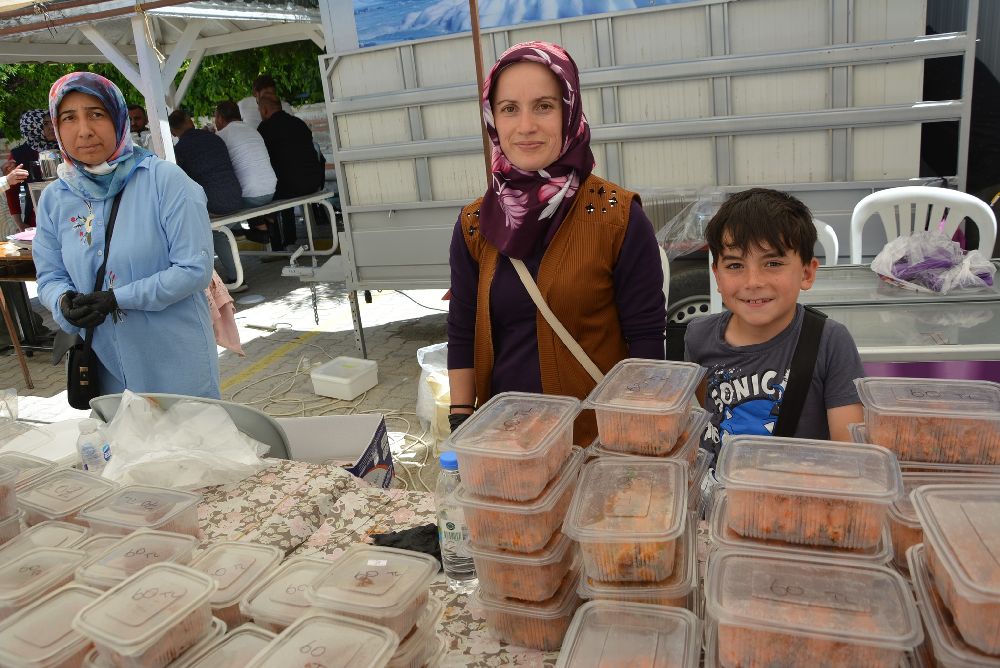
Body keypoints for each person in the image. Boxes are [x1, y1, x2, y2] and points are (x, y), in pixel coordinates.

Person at [446, 41, 667, 445]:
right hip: (507, 443)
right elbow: (462, 331)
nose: (525, 125)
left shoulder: (616, 216)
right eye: (509, 108)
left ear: (569, 110)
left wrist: (636, 434)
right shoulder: (476, 224)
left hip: (595, 445)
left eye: (544, 106)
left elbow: (647, 338)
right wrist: (460, 419)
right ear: (492, 118)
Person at [33, 72, 220, 399]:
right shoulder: (55, 199)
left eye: (96, 114)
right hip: (106, 369)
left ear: (117, 117)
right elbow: (50, 275)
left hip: (176, 365)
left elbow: (194, 270)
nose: (84, 130)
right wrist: (63, 302)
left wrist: (118, 298)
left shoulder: (165, 181)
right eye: (69, 118)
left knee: (189, 449)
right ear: (56, 127)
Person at [684, 188, 864, 460]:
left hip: (793, 495)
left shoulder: (829, 341)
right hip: (717, 493)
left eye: (773, 263)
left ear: (806, 273)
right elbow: (695, 422)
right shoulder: (698, 336)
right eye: (735, 265)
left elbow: (850, 451)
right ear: (717, 277)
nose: (753, 281)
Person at [257, 94, 324, 249]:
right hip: (314, 181)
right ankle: (289, 240)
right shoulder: (298, 123)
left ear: (265, 110)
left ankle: (275, 244)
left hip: (291, 187)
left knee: (268, 192)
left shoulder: (265, 129)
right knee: (286, 179)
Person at [213, 100, 276, 251]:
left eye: (215, 117)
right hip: (271, 190)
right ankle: (260, 227)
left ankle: (238, 231)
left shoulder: (222, 135)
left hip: (250, 197)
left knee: (216, 226)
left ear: (220, 118)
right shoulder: (252, 130)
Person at [3, 109, 59, 230]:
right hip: (36, 222)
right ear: (32, 127)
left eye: (52, 122)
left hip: (68, 217)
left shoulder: (65, 147)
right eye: (45, 124)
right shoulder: (20, 155)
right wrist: (20, 224)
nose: (51, 127)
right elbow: (12, 193)